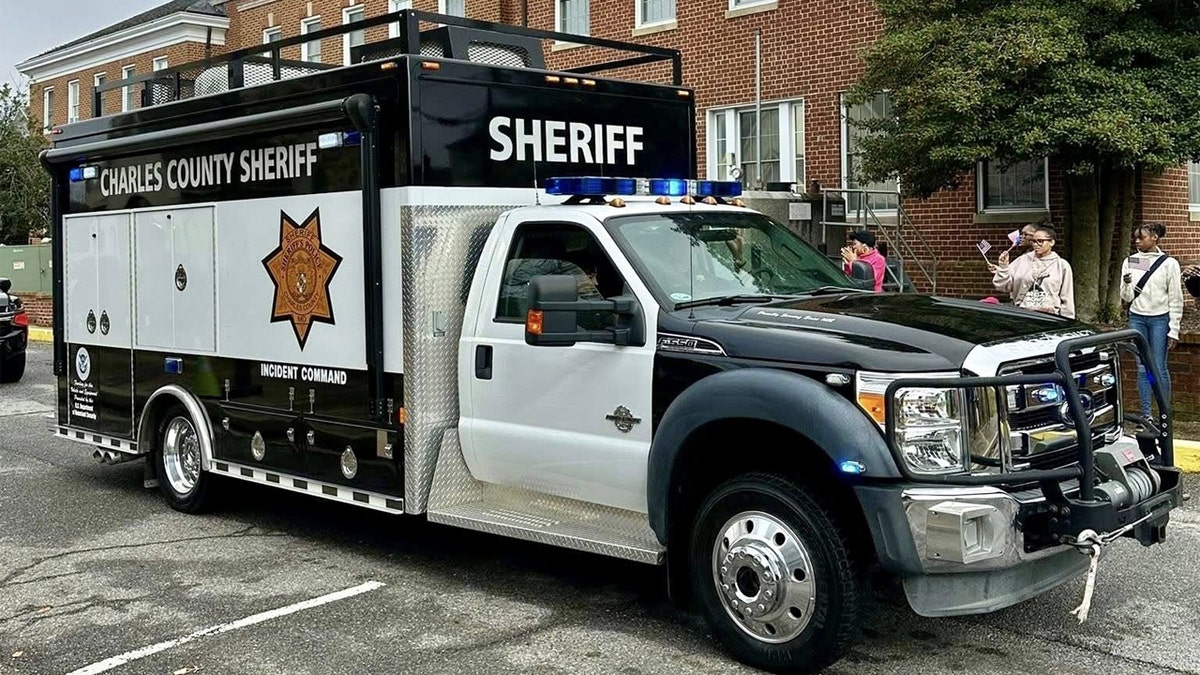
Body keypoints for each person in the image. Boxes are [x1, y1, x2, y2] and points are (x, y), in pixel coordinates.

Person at [1121, 222, 1183, 422]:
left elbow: (1175, 297)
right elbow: (1126, 296)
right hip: (1136, 317)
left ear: (1155, 237)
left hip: (1160, 318)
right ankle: (1146, 414)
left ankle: (1164, 411)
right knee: (1142, 367)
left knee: (1158, 365)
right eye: (1136, 238)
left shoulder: (1169, 263)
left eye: (1142, 237)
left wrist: (1174, 329)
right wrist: (1128, 283)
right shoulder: (1131, 261)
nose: (1137, 241)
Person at [989, 225, 1075, 317]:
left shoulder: (1061, 265)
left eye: (1040, 241)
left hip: (1050, 316)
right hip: (1023, 314)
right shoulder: (1022, 261)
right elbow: (1002, 286)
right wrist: (1003, 267)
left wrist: (1067, 320)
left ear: (1051, 242)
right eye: (1033, 241)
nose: (1035, 244)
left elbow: (1067, 298)